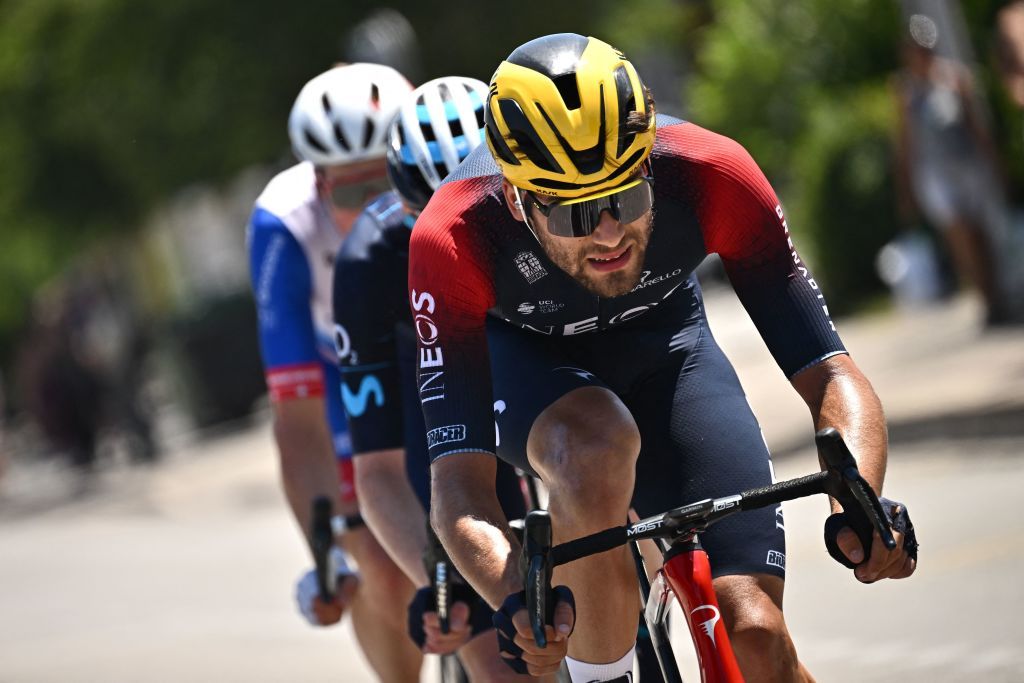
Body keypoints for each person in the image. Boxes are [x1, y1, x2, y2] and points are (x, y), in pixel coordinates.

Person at [407, 34, 918, 681]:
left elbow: (831, 372)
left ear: (650, 166)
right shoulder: (453, 238)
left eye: (627, 198)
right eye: (577, 213)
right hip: (529, 364)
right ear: (517, 201)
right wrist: (520, 597)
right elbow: (460, 490)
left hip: (669, 348)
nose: (611, 232)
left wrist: (862, 497)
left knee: (755, 636)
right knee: (590, 441)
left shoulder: (713, 173)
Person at [332, 76, 538, 681]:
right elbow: (378, 472)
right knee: (499, 650)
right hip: (431, 384)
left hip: (533, 354)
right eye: (437, 218)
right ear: (403, 206)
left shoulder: (558, 209)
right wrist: (446, 580)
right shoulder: (370, 261)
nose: (463, 237)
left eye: (485, 210)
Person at [246, 63, 422, 681]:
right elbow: (296, 420)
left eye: (387, 182)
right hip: (344, 370)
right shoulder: (283, 225)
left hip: (432, 344)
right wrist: (327, 559)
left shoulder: (445, 165)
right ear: (317, 184)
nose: (375, 205)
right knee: (377, 559)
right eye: (352, 193)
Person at [895, 14, 1012, 325]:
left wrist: (994, 163)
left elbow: (975, 127)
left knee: (982, 235)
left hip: (968, 167)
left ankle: (996, 293)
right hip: (935, 175)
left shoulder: (955, 78)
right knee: (960, 237)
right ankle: (985, 299)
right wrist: (905, 187)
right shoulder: (906, 93)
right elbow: (906, 143)